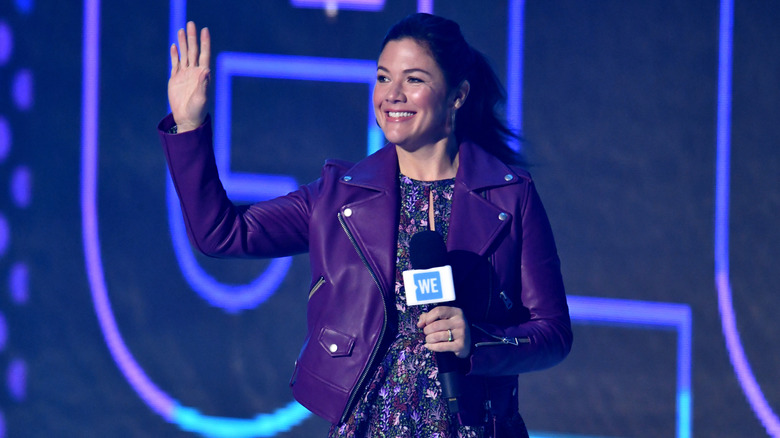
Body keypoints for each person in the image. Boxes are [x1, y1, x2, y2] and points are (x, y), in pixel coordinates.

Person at [159, 13, 572, 438]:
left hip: (474, 426)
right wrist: (189, 126)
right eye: (383, 77)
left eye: (413, 80)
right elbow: (222, 233)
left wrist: (477, 340)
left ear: (457, 95)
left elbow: (553, 333)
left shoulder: (509, 196)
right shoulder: (339, 197)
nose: (392, 95)